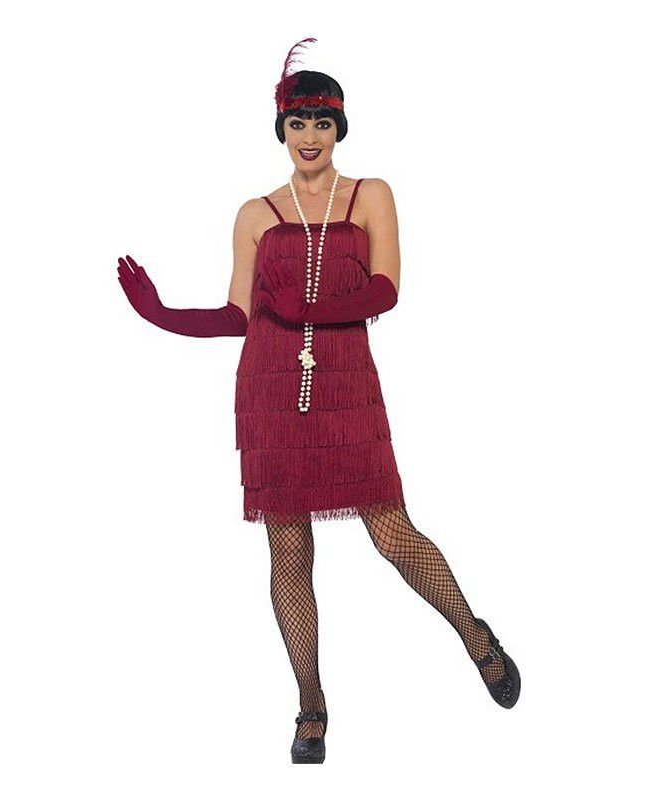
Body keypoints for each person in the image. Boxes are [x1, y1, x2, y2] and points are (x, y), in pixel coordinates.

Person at [116, 37, 521, 765]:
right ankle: (311, 703)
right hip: (270, 391)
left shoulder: (371, 195)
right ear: (282, 129)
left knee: (393, 533)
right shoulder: (255, 212)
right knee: (289, 550)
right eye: (297, 122)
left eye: (322, 122)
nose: (309, 135)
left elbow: (385, 290)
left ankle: (476, 637)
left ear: (339, 128)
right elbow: (239, 315)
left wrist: (310, 310)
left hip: (345, 387)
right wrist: (160, 313)